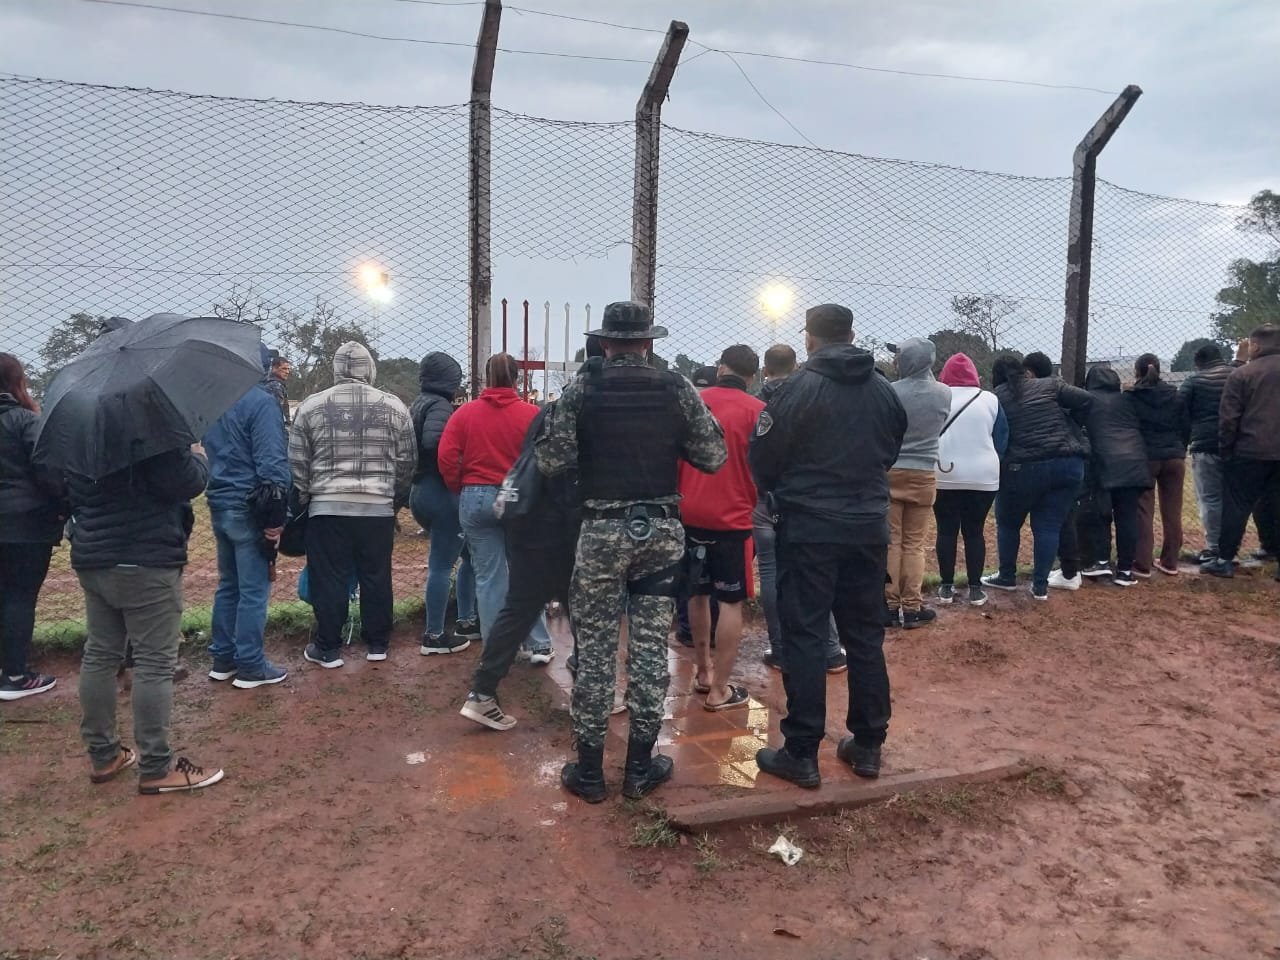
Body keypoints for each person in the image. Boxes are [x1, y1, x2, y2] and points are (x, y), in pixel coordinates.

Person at [536, 301, 726, 803]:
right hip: (660, 531)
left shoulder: (580, 390)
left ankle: (591, 772)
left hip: (600, 532)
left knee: (595, 652)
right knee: (648, 650)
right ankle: (641, 768)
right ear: (648, 343)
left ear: (604, 343)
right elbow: (713, 455)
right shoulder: (677, 387)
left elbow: (551, 461)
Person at [750, 304, 906, 788]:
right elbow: (890, 448)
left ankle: (801, 751)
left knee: (805, 635)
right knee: (864, 636)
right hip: (867, 526)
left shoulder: (797, 388)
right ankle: (868, 745)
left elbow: (765, 458)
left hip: (810, 528)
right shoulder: (883, 389)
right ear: (852, 334)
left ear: (810, 340)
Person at [460, 336, 606, 730]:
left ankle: (482, 692)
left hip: (530, 522)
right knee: (589, 612)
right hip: (569, 528)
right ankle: (594, 697)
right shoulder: (600, 410)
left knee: (519, 607)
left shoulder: (551, 408)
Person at [68, 440, 223, 793]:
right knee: (155, 661)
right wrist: (198, 457)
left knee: (101, 654)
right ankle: (157, 766)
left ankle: (104, 753)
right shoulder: (149, 428)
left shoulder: (82, 428)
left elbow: (68, 491)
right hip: (146, 558)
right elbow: (185, 482)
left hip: (94, 556)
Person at [290, 341, 416, 667]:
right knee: (376, 574)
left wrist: (305, 498)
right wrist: (393, 499)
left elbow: (298, 464)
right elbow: (406, 463)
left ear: (336, 369)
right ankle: (377, 643)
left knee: (329, 576)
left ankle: (328, 647)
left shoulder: (311, 406)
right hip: (377, 508)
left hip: (327, 507)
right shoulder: (395, 407)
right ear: (369, 369)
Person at [439, 353, 553, 663]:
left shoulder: (464, 414)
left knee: (488, 576)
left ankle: (497, 648)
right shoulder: (533, 414)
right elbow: (547, 460)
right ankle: (538, 643)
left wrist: (460, 486)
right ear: (518, 380)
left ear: (486, 379)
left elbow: (447, 457)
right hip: (519, 499)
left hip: (476, 496)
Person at [678, 345, 765, 710]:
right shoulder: (759, 412)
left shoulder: (693, 403)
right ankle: (721, 690)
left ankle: (703, 671)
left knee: (697, 593)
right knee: (730, 600)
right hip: (733, 515)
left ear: (720, 369)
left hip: (688, 510)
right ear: (752, 376)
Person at [202, 343, 292, 688]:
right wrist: (274, 520)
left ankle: (223, 658)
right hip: (250, 505)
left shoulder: (214, 402)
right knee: (254, 590)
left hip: (220, 501)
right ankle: (251, 665)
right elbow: (272, 467)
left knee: (229, 586)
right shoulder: (261, 403)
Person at [752, 344, 844, 672]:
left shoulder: (758, 403)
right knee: (816, 572)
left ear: (765, 370)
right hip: (806, 497)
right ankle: (831, 649)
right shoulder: (814, 396)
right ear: (796, 367)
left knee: (771, 572)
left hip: (765, 497)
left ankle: (781, 649)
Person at [982, 354, 1090, 600]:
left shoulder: (996, 397)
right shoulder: (1050, 384)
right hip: (1068, 463)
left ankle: (1007, 576)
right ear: (1023, 371)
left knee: (1008, 523)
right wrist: (1069, 424)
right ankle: (1040, 586)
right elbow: (1087, 400)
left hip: (1023, 467)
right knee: (1048, 525)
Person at [0, 354, 64, 700]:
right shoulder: (26, 421)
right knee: (20, 597)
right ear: (16, 381)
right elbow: (50, 472)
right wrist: (61, 507)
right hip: (25, 526)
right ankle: (15, 675)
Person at [409, 352, 478, 654]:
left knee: (470, 556)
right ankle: (434, 635)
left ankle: (466, 620)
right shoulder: (439, 405)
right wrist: (460, 464)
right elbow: (435, 442)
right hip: (440, 492)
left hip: (420, 490)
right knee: (441, 564)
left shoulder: (418, 402)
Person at [1203, 325, 1280, 579]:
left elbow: (1228, 419)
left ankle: (1224, 559)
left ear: (1255, 346)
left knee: (1236, 506)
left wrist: (1227, 451)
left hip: (1250, 450)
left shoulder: (1243, 375)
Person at [885, 338, 951, 628]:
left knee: (891, 542)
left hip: (891, 471)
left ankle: (888, 606)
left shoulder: (890, 391)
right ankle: (912, 608)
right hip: (924, 473)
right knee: (914, 544)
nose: (896, 361)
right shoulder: (944, 393)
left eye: (900, 356)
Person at [933, 352, 1006, 608]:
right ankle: (975, 589)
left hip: (943, 473)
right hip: (983, 476)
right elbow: (1002, 438)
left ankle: (946, 587)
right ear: (975, 375)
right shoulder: (990, 399)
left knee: (946, 530)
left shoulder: (937, 396)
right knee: (974, 531)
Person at [1073, 366, 1153, 587]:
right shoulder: (1128, 400)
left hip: (1105, 462)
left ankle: (1101, 561)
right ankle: (1125, 571)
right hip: (1135, 462)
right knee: (1127, 517)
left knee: (1101, 514)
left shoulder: (1087, 400)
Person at [1127, 354, 1190, 576]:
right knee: (1173, 511)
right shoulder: (1176, 395)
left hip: (1146, 457)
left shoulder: (1133, 397)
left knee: (1143, 510)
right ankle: (1170, 561)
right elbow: (1185, 426)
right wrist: (1180, 449)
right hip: (1174, 457)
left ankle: (1142, 562)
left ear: (1137, 371)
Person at [1179, 342, 1233, 563]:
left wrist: (1183, 442)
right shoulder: (1237, 375)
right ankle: (1231, 547)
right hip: (1238, 445)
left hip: (1205, 444)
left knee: (1210, 498)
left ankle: (1214, 548)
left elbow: (1180, 410)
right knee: (1234, 499)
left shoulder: (1194, 380)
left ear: (1198, 363)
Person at [266, 350, 292, 424]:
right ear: (274, 368)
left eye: (288, 369)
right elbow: (276, 412)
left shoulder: (279, 384)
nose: (287, 372)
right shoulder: (275, 385)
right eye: (284, 368)